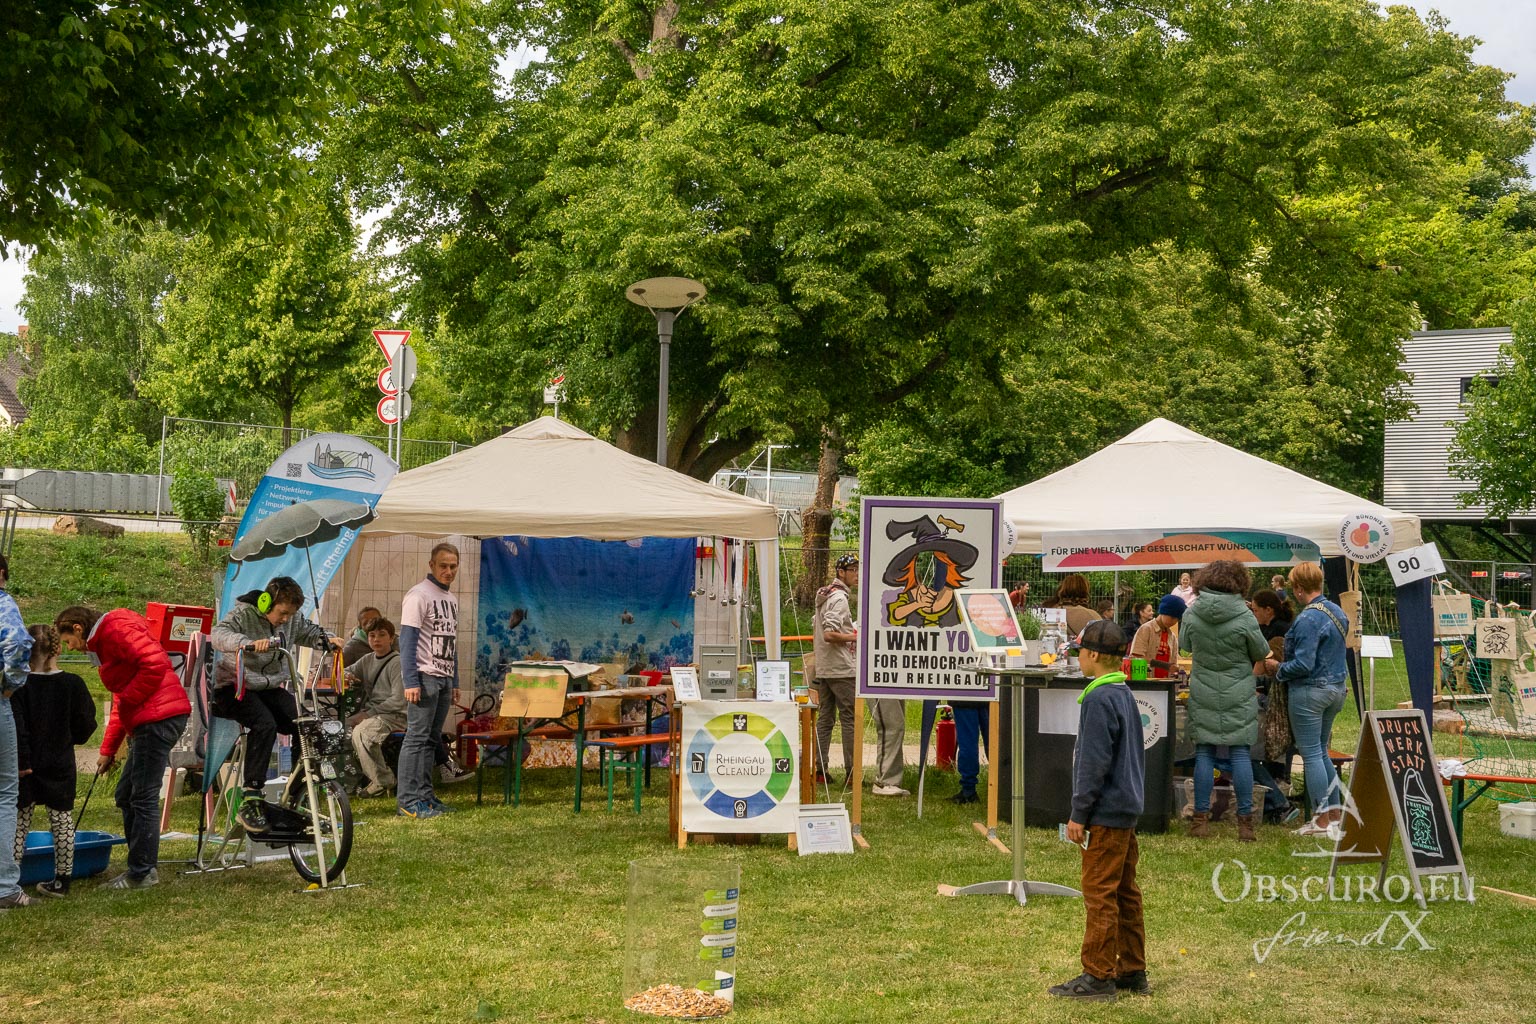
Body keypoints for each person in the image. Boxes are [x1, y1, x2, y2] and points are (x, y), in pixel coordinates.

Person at [56, 604, 190, 890]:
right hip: (149, 718)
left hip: (158, 718)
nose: (71, 648)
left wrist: (130, 698)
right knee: (125, 794)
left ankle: (142, 872)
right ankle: (140, 863)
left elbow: (155, 665)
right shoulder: (104, 642)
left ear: (78, 628)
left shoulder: (116, 629)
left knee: (142, 796)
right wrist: (108, 750)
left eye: (69, 641)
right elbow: (121, 701)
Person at [1049, 619, 1146, 1002]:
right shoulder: (1123, 692)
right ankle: (1132, 968)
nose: (1079, 660)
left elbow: (1093, 762)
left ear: (1091, 655)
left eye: (1080, 654)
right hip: (1125, 809)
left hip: (1104, 813)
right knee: (1125, 892)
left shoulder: (1097, 698)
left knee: (1099, 893)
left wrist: (1079, 813)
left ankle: (1098, 975)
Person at [209, 576, 341, 833]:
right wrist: (245, 643)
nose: (285, 619)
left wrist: (329, 640)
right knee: (265, 725)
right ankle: (251, 797)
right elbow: (218, 634)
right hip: (233, 688)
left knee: (304, 724)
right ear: (266, 603)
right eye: (282, 613)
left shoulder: (291, 619)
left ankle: (298, 792)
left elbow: (310, 633)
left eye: (290, 614)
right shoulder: (243, 615)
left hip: (267, 688)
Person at [1179, 561, 1269, 842]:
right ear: (1239, 583)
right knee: (1240, 753)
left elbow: (1185, 646)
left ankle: (1200, 820)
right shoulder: (1245, 615)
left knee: (1204, 753)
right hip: (1239, 691)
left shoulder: (1192, 612)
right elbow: (1261, 651)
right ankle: (1245, 824)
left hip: (1203, 690)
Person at [1263, 561, 1349, 838]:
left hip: (1310, 692)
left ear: (1299, 588)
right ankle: (1334, 815)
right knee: (1321, 752)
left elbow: (1302, 664)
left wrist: (1277, 668)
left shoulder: (1307, 619)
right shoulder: (1337, 611)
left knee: (1310, 754)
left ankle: (1321, 820)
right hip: (1336, 689)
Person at [12, 625, 96, 897]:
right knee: (62, 821)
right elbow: (86, 723)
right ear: (57, 648)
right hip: (60, 761)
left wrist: (22, 761)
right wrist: (70, 738)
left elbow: (17, 728)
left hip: (26, 765)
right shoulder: (73, 684)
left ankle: (9, 881)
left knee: (19, 823)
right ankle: (62, 880)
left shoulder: (19, 686)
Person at [398, 542, 462, 818]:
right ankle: (408, 801)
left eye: (453, 566)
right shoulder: (418, 595)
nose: (448, 571)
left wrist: (455, 680)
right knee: (416, 738)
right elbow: (407, 641)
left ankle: (425, 797)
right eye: (443, 565)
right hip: (424, 677)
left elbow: (451, 642)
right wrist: (411, 681)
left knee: (431, 739)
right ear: (432, 565)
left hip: (443, 677)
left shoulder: (451, 599)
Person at [0, 555, 34, 910]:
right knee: (4, 793)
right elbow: (17, 643)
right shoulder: (3, 603)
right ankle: (4, 888)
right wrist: (11, 684)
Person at [345, 618, 407, 797]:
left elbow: (398, 700)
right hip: (373, 714)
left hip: (394, 715)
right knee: (340, 728)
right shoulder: (367, 659)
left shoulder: (398, 663)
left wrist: (367, 714)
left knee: (362, 732)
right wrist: (346, 676)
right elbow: (347, 671)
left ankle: (383, 780)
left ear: (391, 638)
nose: (376, 639)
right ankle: (351, 783)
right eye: (372, 635)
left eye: (382, 635)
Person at [813, 555, 860, 784]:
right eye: (853, 569)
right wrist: (856, 637)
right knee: (850, 719)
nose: (857, 574)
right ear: (841, 572)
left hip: (824, 666)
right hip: (841, 668)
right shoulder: (839, 598)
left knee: (825, 719)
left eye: (858, 569)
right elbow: (829, 634)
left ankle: (819, 770)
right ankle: (852, 773)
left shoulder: (826, 594)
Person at [1128, 596, 1184, 679]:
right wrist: (1163, 665)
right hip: (1146, 682)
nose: (1174, 622)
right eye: (1172, 617)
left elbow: (1173, 664)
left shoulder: (1172, 637)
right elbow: (1136, 658)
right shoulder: (1146, 629)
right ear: (1163, 612)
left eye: (1177, 619)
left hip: (1165, 682)